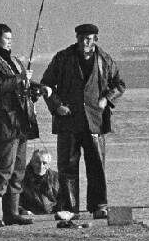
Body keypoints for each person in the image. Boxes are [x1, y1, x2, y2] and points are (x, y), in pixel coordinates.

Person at [41, 23, 125, 220]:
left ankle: (99, 206)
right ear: (76, 38)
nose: (84, 42)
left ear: (95, 39)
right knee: (67, 167)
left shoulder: (105, 60)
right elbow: (46, 85)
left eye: (88, 38)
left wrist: (107, 99)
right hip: (68, 121)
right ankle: (69, 208)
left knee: (97, 166)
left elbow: (119, 85)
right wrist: (57, 106)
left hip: (95, 121)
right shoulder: (62, 58)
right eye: (81, 38)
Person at [0, 23, 41, 228]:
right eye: (7, 38)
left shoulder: (13, 61)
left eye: (11, 38)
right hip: (3, 125)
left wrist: (35, 89)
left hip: (20, 123)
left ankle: (12, 213)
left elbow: (18, 86)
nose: (10, 42)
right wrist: (20, 79)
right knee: (4, 169)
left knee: (18, 170)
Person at [19, 148, 60, 216]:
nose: (41, 166)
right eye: (37, 162)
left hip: (53, 215)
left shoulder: (56, 178)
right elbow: (14, 203)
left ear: (48, 165)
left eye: (44, 163)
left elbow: (62, 200)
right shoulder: (21, 178)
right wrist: (22, 211)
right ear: (31, 162)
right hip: (29, 215)